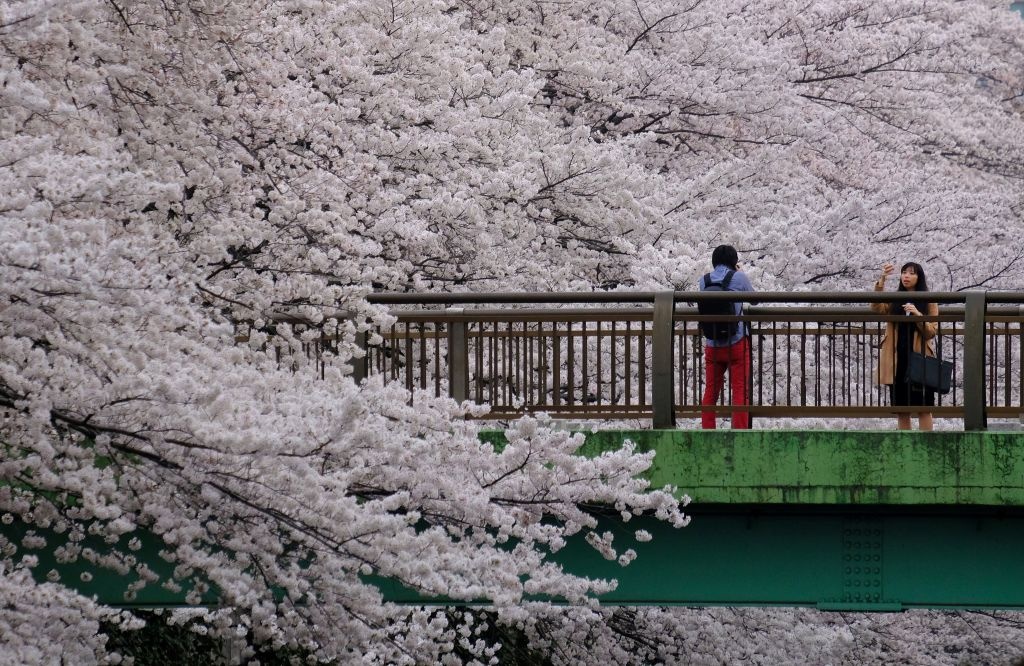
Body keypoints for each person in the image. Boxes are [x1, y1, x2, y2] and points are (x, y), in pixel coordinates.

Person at [870, 261, 939, 431]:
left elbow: (931, 332)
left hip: (919, 359)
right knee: (902, 410)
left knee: (924, 408)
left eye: (911, 273)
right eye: (904, 272)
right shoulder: (895, 299)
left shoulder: (929, 300)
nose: (906, 276)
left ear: (919, 277)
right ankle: (905, 446)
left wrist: (917, 315)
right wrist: (882, 280)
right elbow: (877, 308)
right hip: (897, 359)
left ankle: (927, 447)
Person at [699, 245, 755, 429]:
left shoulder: (704, 281)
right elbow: (754, 299)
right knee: (740, 389)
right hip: (736, 342)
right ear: (734, 261)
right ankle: (739, 431)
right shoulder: (739, 277)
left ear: (714, 261)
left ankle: (707, 431)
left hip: (712, 343)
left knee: (711, 390)